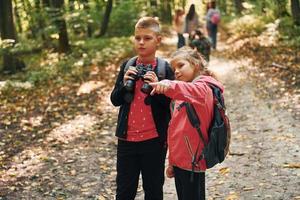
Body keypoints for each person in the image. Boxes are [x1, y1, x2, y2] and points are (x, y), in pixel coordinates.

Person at [110, 16, 174, 200]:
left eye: (147, 38)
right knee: (124, 191)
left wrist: (158, 87)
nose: (141, 42)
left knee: (153, 190)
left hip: (154, 141)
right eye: (138, 38)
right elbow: (115, 100)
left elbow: (171, 105)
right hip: (127, 140)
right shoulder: (127, 65)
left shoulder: (165, 69)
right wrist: (123, 84)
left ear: (158, 40)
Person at [149, 47, 224, 200]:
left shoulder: (203, 88)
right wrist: (172, 163)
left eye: (181, 65)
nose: (176, 71)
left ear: (195, 64)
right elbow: (175, 130)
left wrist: (169, 85)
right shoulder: (184, 92)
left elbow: (189, 89)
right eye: (173, 68)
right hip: (181, 162)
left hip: (193, 161)